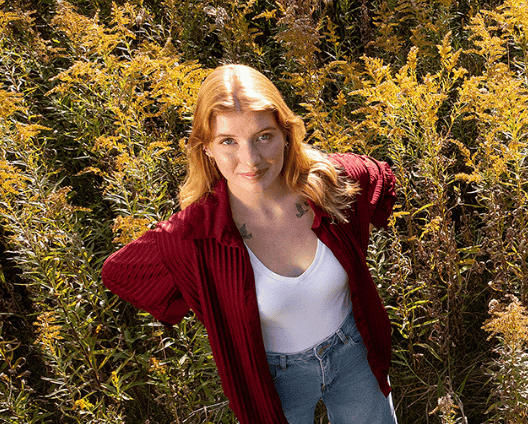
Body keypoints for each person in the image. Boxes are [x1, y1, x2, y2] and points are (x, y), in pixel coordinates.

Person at [101, 64, 399, 424]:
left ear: (286, 134)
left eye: (264, 136)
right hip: (274, 378)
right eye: (228, 141)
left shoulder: (329, 185)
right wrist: (214, 301)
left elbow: (379, 176)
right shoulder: (196, 234)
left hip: (355, 353)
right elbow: (120, 272)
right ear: (206, 148)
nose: (251, 160)